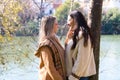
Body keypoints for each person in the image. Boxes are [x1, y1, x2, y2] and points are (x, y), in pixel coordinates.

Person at [65, 10, 96, 80]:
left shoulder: (84, 36)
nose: (67, 23)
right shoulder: (75, 36)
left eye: (69, 20)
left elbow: (82, 60)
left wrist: (73, 77)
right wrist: (68, 39)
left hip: (78, 77)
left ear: (75, 20)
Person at [35, 16, 66, 80]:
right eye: (56, 24)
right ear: (50, 26)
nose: (58, 26)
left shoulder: (55, 41)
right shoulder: (45, 45)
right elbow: (50, 68)